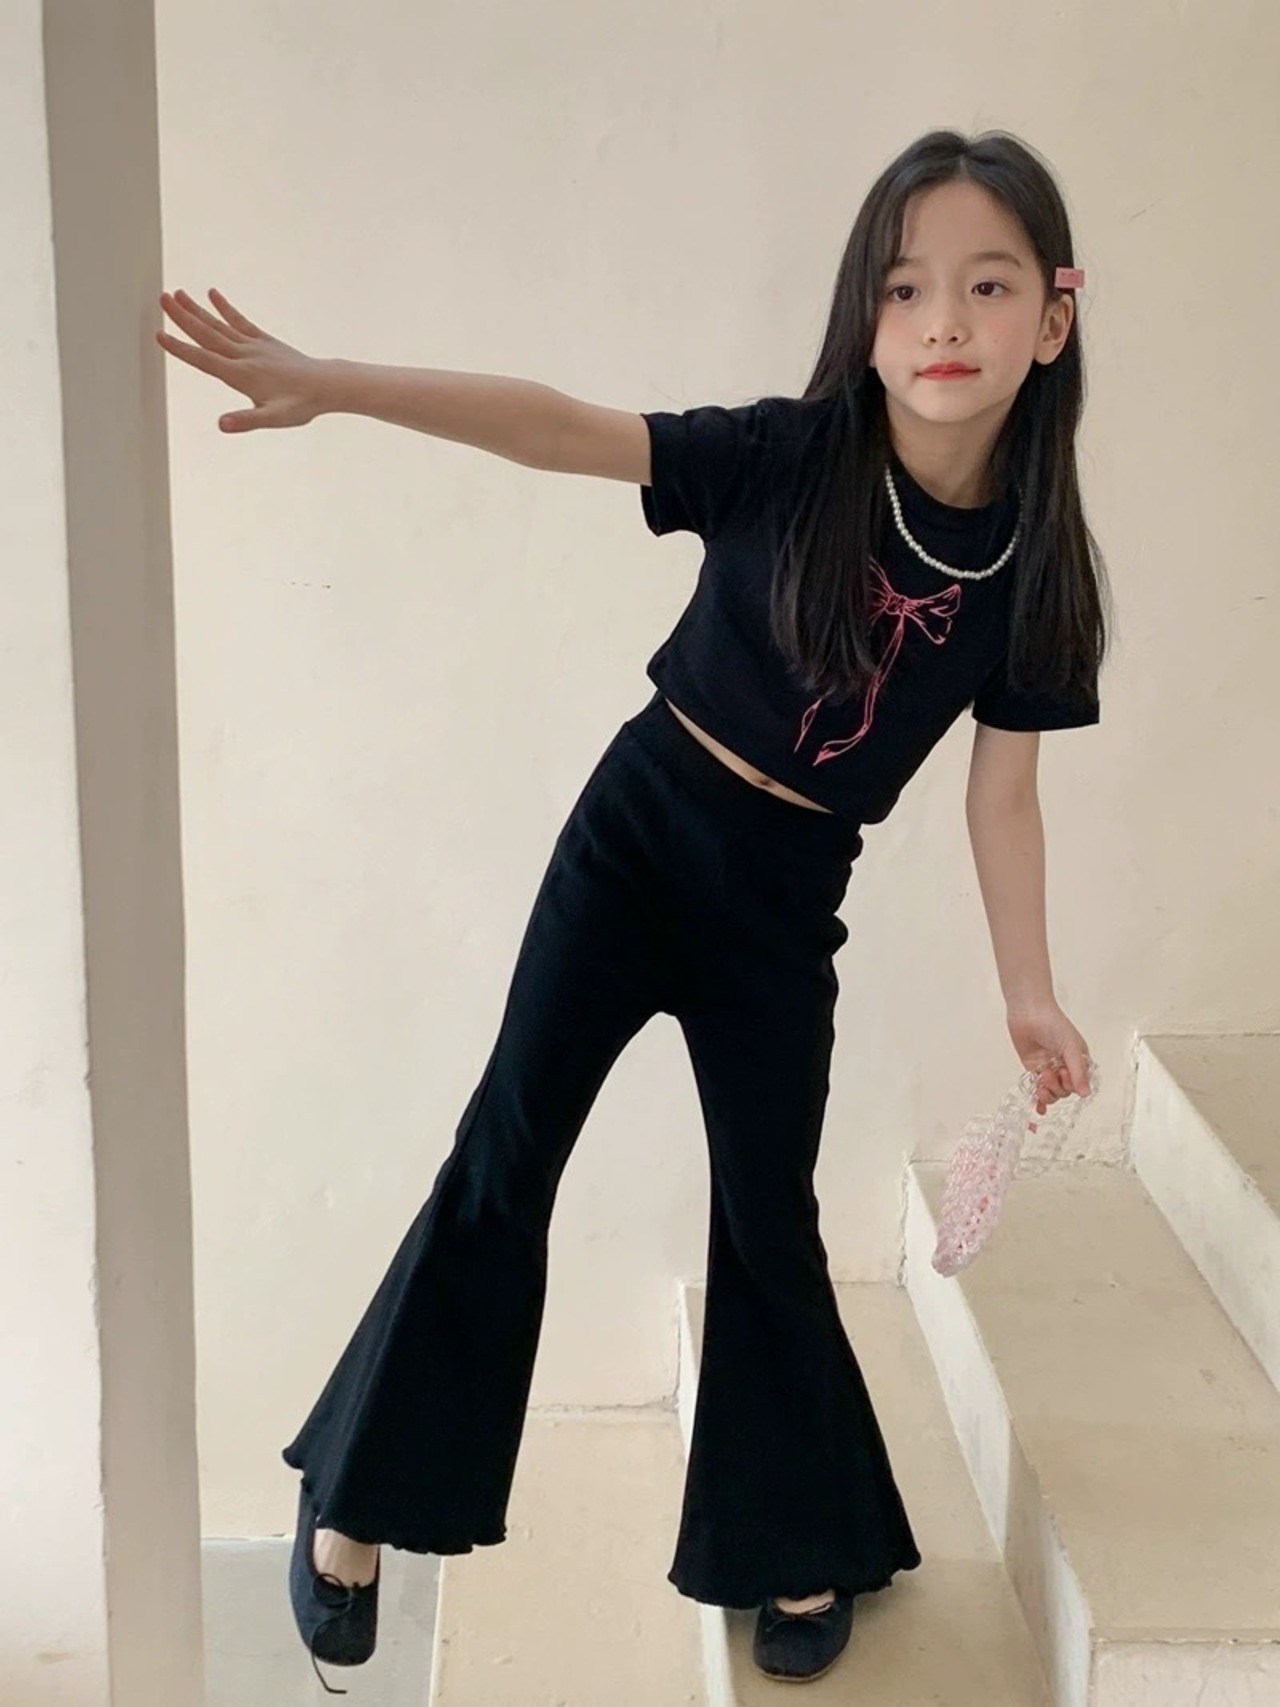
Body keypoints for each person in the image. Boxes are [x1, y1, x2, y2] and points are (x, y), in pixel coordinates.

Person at [156, 126, 1110, 1692]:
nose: (944, 320)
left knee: (766, 1215)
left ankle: (794, 1538)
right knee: (508, 1151)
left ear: (1053, 319)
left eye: (988, 286)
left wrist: (1030, 990)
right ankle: (361, 1493)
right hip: (640, 833)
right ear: (866, 321)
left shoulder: (1040, 577)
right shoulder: (789, 457)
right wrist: (340, 383)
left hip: (787, 900)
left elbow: (1003, 797)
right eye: (905, 288)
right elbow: (559, 428)